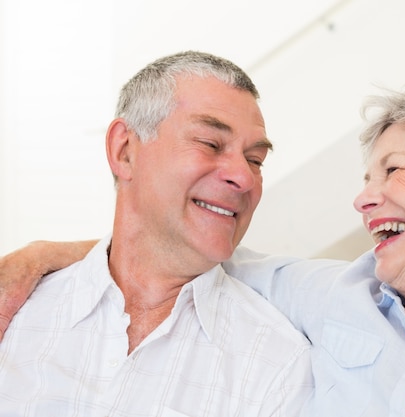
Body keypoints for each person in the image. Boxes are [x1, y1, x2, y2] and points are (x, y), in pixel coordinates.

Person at [2, 69, 405, 416]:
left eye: (394, 170)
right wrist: (40, 257)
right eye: (366, 177)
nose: (363, 199)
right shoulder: (338, 294)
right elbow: (180, 240)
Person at [0, 51, 314, 416]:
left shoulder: (279, 366)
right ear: (125, 151)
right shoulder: (16, 314)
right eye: (211, 144)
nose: (244, 177)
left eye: (255, 161)